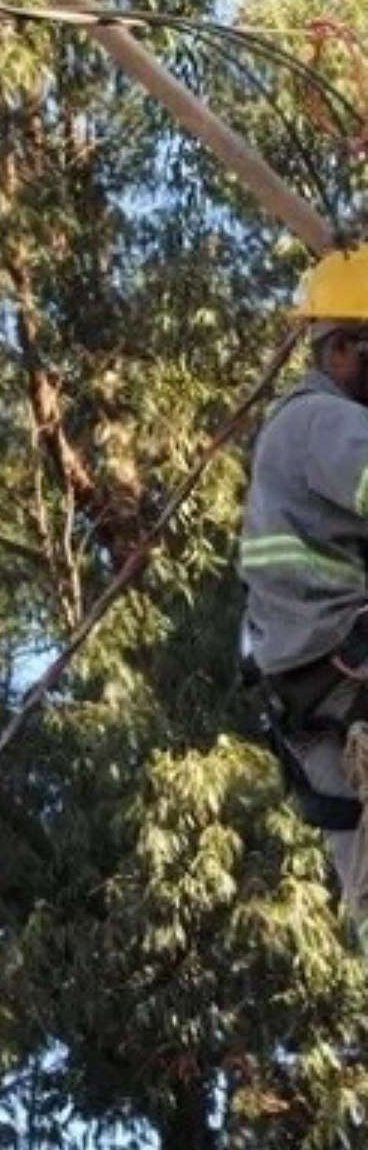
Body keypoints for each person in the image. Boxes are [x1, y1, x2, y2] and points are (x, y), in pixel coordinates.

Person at [240, 244, 368, 955]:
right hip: (345, 689)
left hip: (324, 702)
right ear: (345, 346)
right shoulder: (325, 421)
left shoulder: (303, 428)